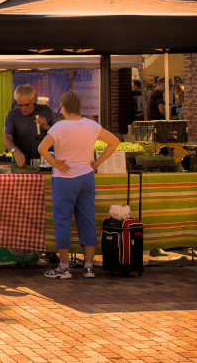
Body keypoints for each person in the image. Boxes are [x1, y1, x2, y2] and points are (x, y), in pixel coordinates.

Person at [38, 91, 119, 280]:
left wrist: (56, 162)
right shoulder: (92, 125)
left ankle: (64, 267)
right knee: (87, 219)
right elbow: (114, 142)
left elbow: (41, 148)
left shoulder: (59, 126)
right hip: (86, 176)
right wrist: (97, 162)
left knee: (62, 221)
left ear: (63, 108)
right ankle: (89, 266)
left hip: (64, 178)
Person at [3, 84, 56, 167]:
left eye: (27, 105)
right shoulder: (12, 115)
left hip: (45, 164)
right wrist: (15, 150)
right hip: (21, 164)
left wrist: (46, 126)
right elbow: (6, 138)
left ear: (34, 99)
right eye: (20, 105)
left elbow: (57, 135)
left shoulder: (46, 111)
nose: (23, 108)